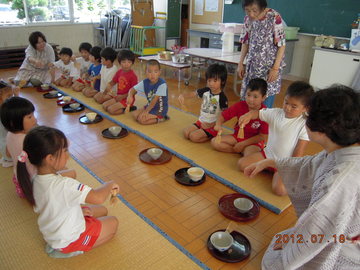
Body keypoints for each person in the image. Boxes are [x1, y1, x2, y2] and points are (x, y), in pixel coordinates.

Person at [244, 85, 360, 269]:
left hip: (344, 248)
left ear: (322, 129)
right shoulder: (344, 149)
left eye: (307, 116)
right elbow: (310, 164)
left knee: (272, 261)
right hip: (339, 234)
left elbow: (318, 229)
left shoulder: (340, 181)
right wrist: (269, 162)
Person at [17, 126, 119, 258]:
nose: (68, 155)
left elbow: (55, 205)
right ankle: (74, 250)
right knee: (113, 223)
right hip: (70, 239)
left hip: (56, 230)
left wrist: (79, 212)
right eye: (65, 151)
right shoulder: (65, 185)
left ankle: (71, 235)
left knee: (102, 210)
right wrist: (109, 184)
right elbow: (98, 197)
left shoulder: (35, 180)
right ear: (50, 159)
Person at [238, 81, 314, 195]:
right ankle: (267, 167)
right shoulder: (276, 113)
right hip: (267, 155)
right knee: (241, 164)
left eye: (294, 106)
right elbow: (257, 113)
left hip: (284, 163)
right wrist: (248, 115)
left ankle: (272, 170)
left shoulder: (304, 125)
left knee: (280, 190)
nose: (287, 108)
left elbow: (299, 151)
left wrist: (290, 169)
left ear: (305, 108)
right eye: (286, 102)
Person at [238, 0, 286, 108]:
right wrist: (241, 63)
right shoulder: (247, 19)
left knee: (264, 101)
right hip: (253, 67)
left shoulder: (274, 17)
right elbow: (245, 42)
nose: (251, 14)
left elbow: (281, 45)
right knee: (249, 99)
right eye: (247, 10)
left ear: (263, 8)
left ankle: (261, 124)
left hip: (268, 69)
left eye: (254, 10)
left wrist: (275, 68)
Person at [211, 78, 268, 155]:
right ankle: (237, 150)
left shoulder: (265, 113)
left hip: (253, 142)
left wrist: (243, 144)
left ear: (263, 97)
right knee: (215, 142)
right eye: (248, 95)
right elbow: (222, 116)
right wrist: (218, 124)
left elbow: (262, 137)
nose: (251, 99)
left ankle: (242, 149)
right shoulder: (240, 105)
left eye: (255, 97)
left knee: (250, 155)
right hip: (237, 137)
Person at [178, 63, 228, 143]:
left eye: (215, 81)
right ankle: (204, 132)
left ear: (222, 81)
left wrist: (213, 124)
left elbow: (225, 115)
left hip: (212, 125)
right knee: (186, 133)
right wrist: (183, 95)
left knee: (193, 137)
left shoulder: (222, 97)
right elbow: (193, 93)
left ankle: (213, 134)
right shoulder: (205, 90)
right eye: (209, 80)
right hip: (201, 122)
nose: (211, 83)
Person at [126, 60, 169, 125]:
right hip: (149, 106)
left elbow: (154, 101)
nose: (152, 74)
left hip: (160, 109)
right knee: (134, 115)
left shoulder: (162, 84)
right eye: (149, 72)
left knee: (142, 120)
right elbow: (132, 90)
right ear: (145, 72)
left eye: (155, 72)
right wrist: (130, 95)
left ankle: (162, 118)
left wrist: (146, 111)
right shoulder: (145, 82)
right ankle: (151, 115)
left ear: (159, 72)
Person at [102, 49, 138, 115]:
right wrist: (108, 87)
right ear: (119, 62)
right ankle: (120, 106)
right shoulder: (119, 72)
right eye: (124, 62)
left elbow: (134, 91)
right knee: (104, 106)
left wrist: (122, 97)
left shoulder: (133, 76)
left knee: (111, 110)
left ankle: (130, 108)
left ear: (132, 63)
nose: (126, 64)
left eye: (129, 62)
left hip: (127, 99)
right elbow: (113, 82)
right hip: (118, 97)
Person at [0, 80, 14, 168]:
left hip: (4, 148)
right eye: (9, 97)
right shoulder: (4, 113)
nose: (11, 99)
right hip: (9, 151)